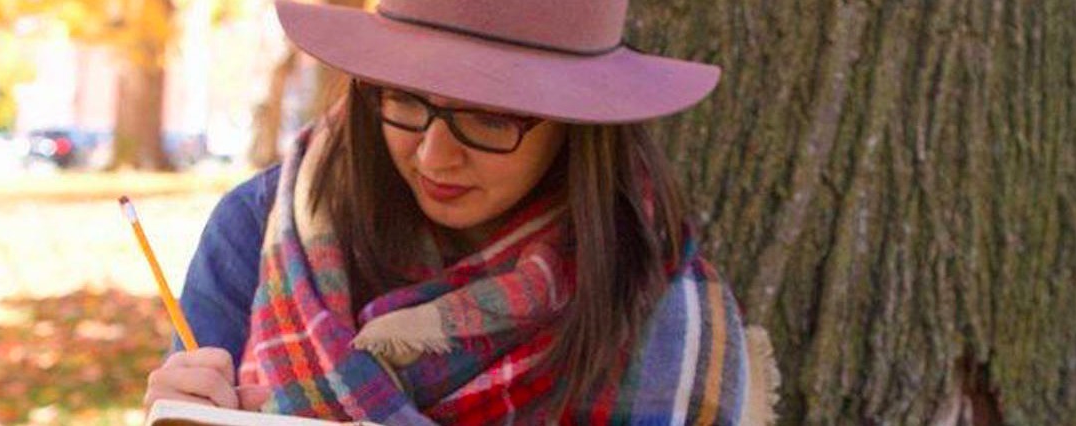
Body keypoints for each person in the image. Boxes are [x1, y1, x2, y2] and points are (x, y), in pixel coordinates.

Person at [144, 0, 751, 423]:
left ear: (577, 130)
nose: (434, 156)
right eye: (404, 100)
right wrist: (178, 413)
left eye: (488, 118)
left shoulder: (655, 298)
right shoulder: (258, 229)